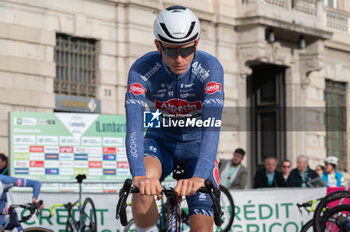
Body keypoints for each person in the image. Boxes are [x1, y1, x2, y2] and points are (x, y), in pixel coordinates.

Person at [125, 5, 224, 232]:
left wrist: (199, 177)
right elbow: (134, 127)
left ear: (196, 44)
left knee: (201, 228)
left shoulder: (210, 68)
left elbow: (212, 128)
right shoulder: (142, 69)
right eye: (170, 51)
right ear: (158, 45)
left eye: (187, 50)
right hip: (160, 142)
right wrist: (138, 174)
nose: (179, 59)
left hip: (197, 147)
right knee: (143, 188)